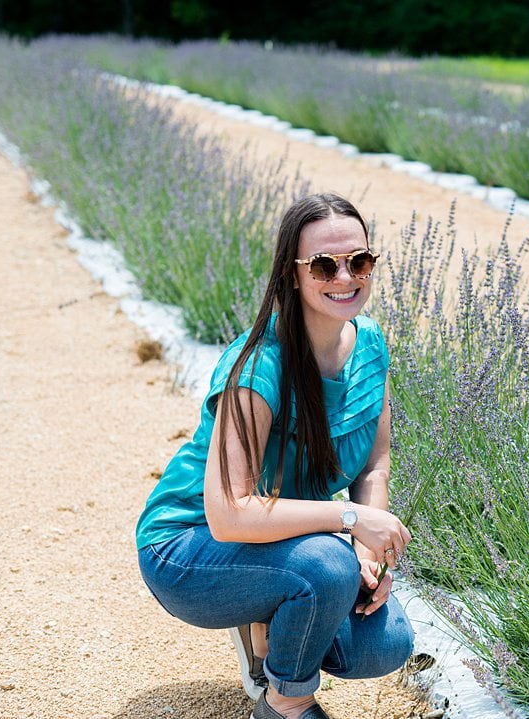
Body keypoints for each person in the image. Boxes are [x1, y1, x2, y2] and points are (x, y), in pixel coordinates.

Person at [136, 192, 414, 719]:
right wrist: (351, 522)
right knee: (326, 564)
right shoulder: (259, 367)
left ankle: (271, 617)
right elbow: (229, 513)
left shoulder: (371, 345)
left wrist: (367, 551)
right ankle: (286, 699)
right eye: (324, 265)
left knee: (385, 643)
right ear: (292, 273)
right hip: (189, 547)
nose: (344, 277)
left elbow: (374, 464)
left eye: (359, 261)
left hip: (279, 537)